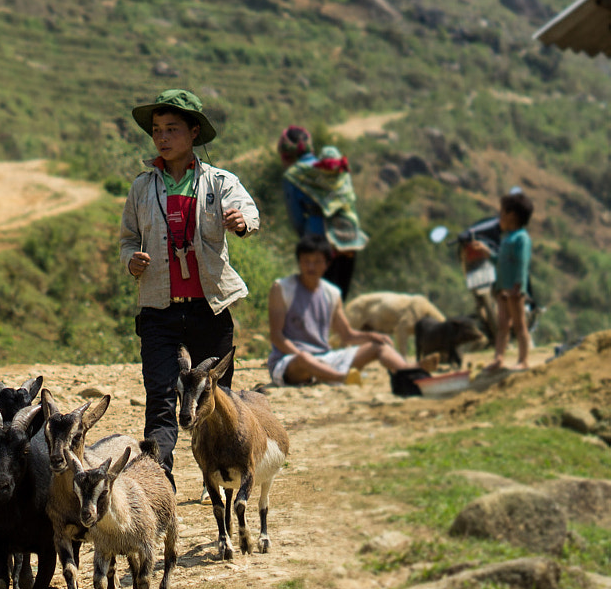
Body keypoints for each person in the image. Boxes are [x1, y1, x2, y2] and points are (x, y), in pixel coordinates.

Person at [120, 88, 260, 486]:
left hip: (209, 308)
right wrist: (131, 260)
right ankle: (159, 478)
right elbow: (128, 239)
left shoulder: (220, 183)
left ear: (194, 132)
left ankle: (215, 471)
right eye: (157, 130)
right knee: (161, 397)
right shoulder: (142, 188)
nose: (162, 137)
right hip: (158, 309)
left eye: (172, 129)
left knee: (216, 397)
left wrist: (241, 222)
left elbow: (248, 211)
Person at [268, 234, 420, 386]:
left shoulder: (332, 293)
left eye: (316, 262)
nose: (311, 267)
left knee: (380, 347)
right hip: (290, 360)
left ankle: (412, 375)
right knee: (304, 359)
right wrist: (300, 355)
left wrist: (374, 336)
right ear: (299, 262)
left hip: (325, 358)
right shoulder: (282, 288)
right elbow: (277, 336)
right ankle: (343, 378)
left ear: (327, 264)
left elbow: (347, 335)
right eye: (306, 261)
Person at [279, 134, 366, 299]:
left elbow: (296, 218)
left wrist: (306, 240)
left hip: (318, 238)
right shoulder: (341, 171)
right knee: (340, 294)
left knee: (318, 295)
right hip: (350, 238)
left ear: (286, 155)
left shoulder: (296, 175)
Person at [485, 188, 534, 372]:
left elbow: (522, 264)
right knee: (503, 324)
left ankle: (524, 360)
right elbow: (500, 261)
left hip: (514, 289)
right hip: (503, 289)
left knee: (519, 325)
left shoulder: (521, 238)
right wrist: (487, 253)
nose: (499, 216)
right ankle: (499, 358)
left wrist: (518, 287)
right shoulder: (506, 238)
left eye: (502, 212)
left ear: (511, 215)